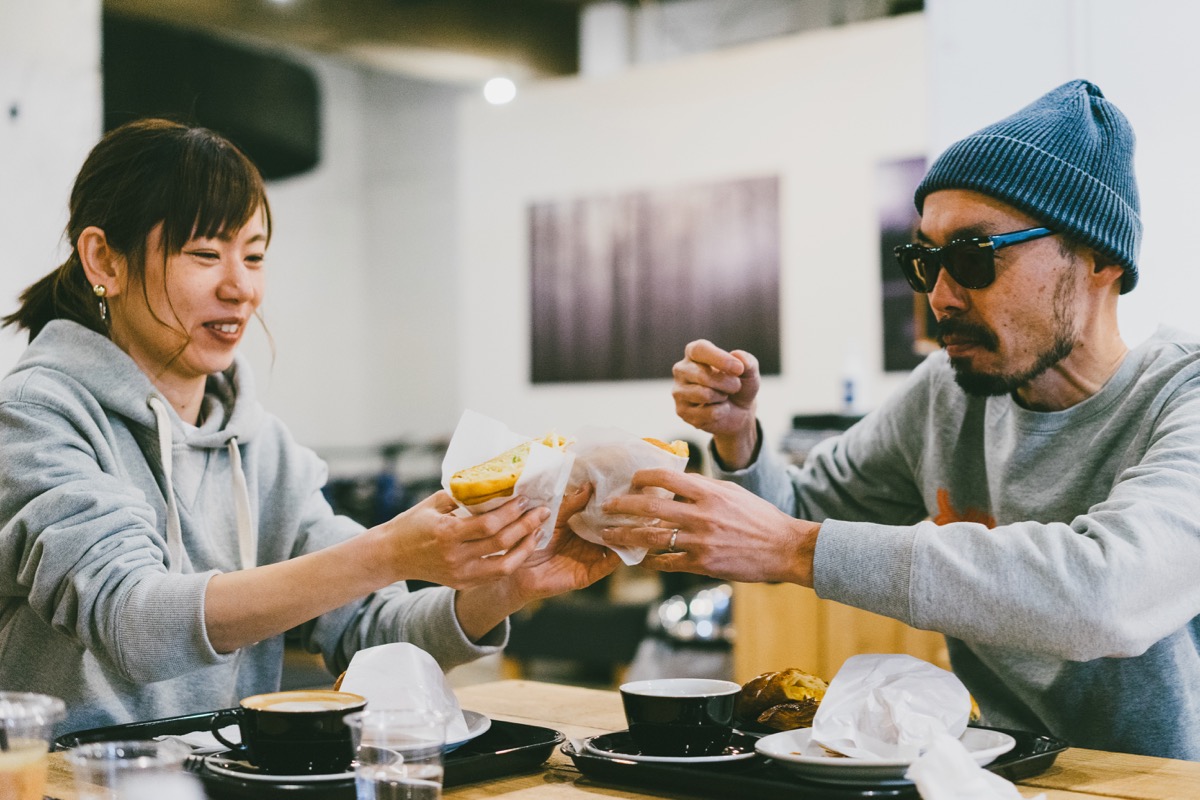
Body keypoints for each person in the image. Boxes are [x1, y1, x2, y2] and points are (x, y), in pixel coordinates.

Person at [600, 80, 1200, 760]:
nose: (940, 296)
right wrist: (742, 438)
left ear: (1100, 259)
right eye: (925, 261)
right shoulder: (949, 393)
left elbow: (1106, 594)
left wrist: (796, 548)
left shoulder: (1185, 397)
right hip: (1003, 769)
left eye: (975, 258)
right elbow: (792, 513)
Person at [0, 118, 617, 734]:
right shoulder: (36, 414)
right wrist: (385, 551)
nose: (241, 288)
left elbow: (375, 636)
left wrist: (509, 584)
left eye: (255, 256)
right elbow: (130, 621)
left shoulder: (261, 446)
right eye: (206, 254)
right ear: (103, 258)